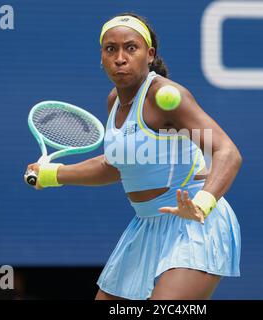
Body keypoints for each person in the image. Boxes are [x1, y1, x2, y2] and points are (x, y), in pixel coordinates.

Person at [26, 12, 242, 300]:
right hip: (145, 227)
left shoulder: (165, 96)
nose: (120, 57)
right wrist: (52, 175)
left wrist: (202, 204)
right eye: (110, 49)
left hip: (194, 224)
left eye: (131, 47)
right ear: (101, 57)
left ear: (149, 54)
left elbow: (226, 151)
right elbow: (114, 167)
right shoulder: (114, 101)